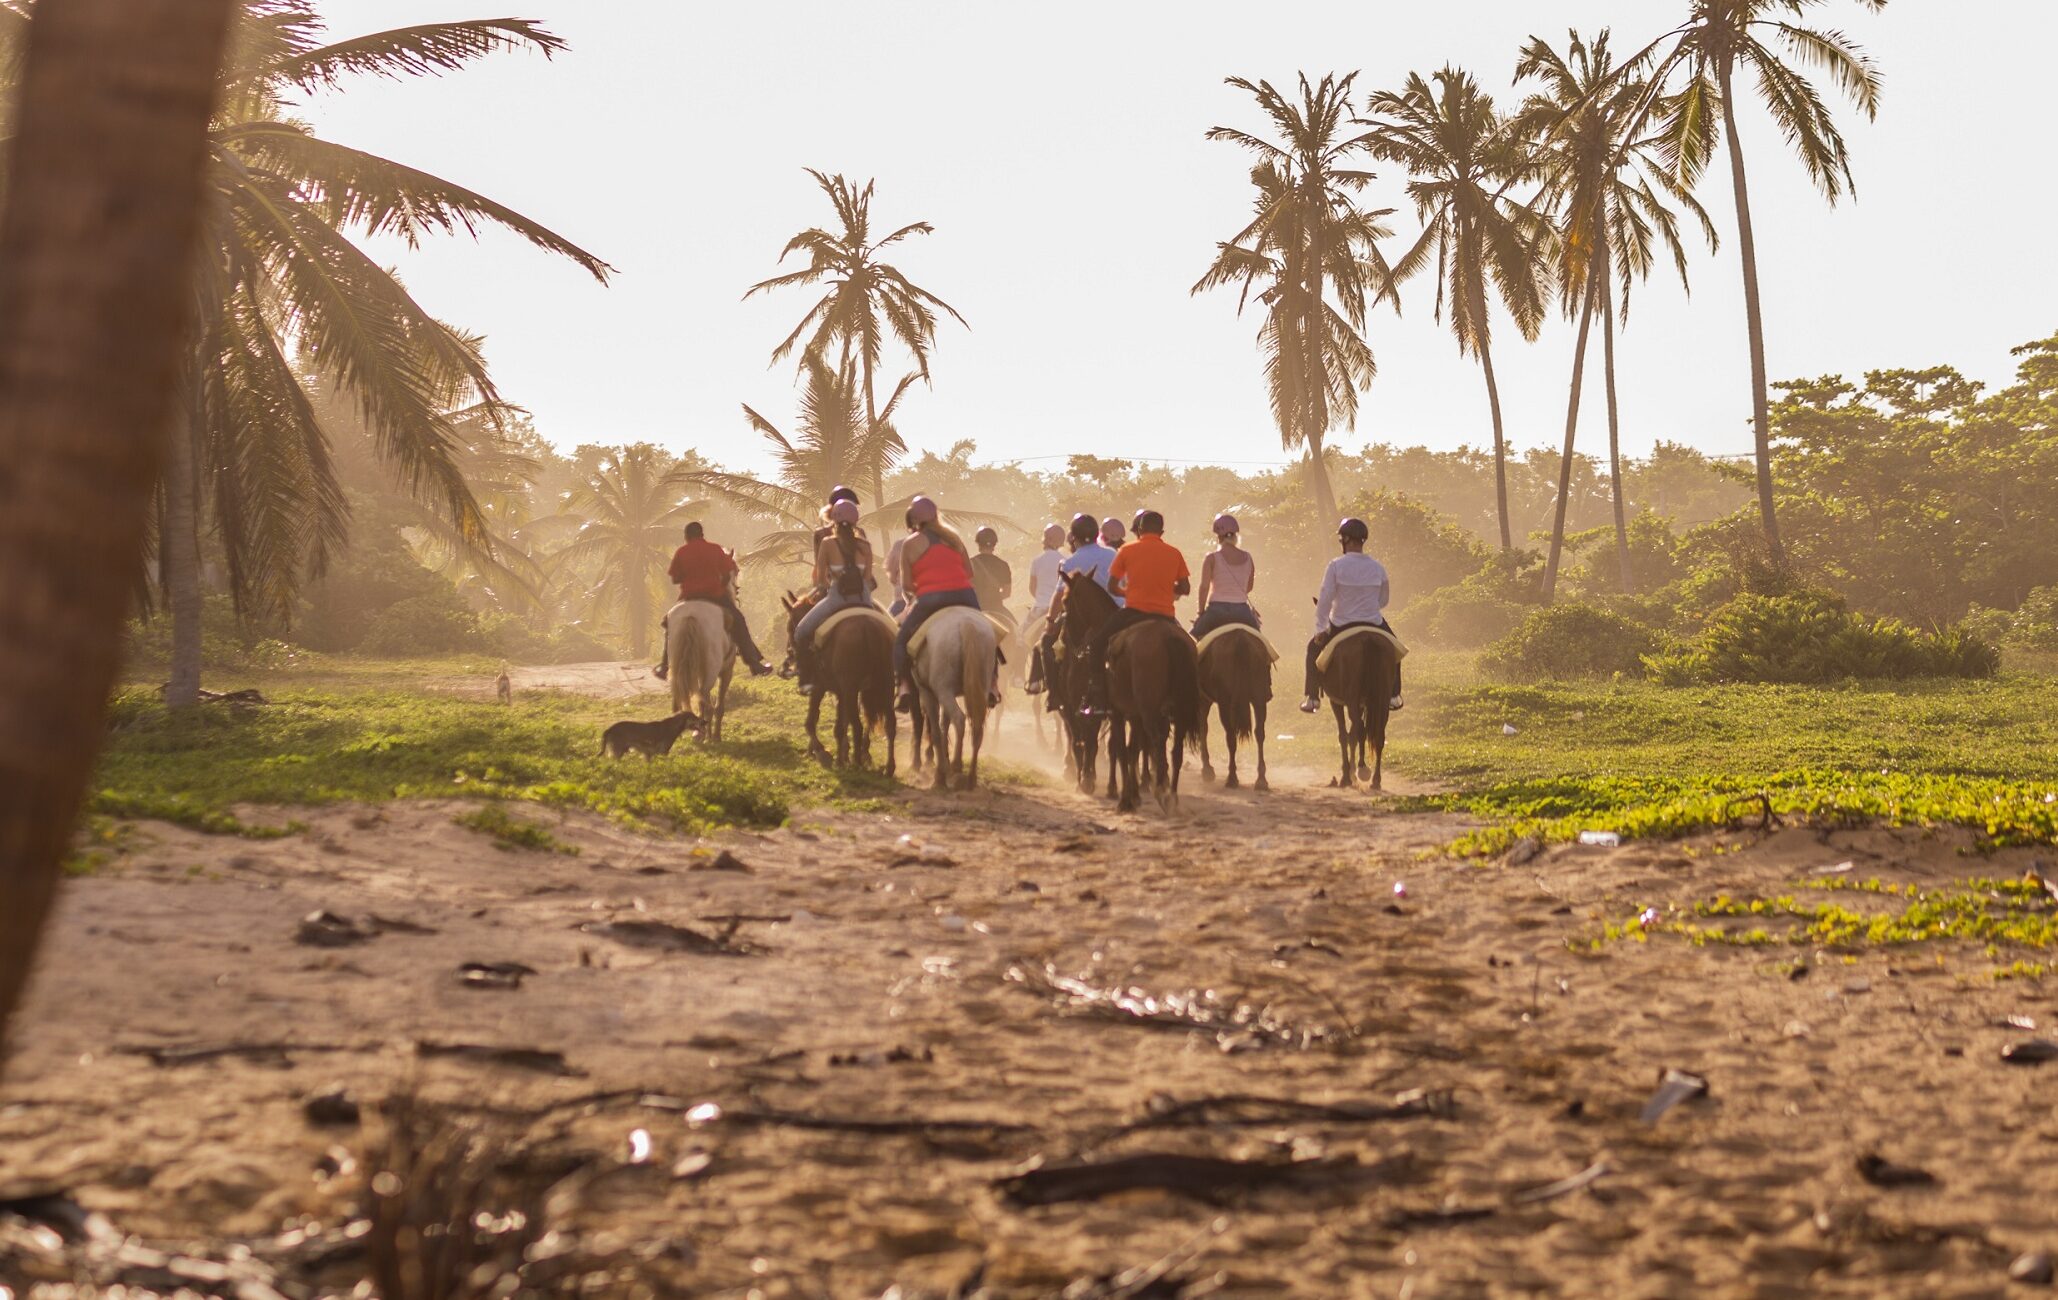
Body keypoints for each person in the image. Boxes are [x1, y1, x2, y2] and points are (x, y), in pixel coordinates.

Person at [1081, 509, 1190, 714]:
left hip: (1133, 612)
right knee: (1190, 649)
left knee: (1096, 645)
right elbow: (1186, 588)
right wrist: (1166, 589)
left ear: (1139, 529)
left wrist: (1129, 591)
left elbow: (1112, 587)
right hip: (1165, 615)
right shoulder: (1174, 553)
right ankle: (1183, 699)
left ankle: (1098, 698)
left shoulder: (1127, 550)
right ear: (1162, 531)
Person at [891, 496, 993, 713]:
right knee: (991, 634)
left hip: (930, 598)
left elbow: (907, 584)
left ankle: (905, 687)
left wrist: (927, 584)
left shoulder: (910, 543)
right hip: (965, 595)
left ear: (914, 519)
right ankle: (992, 684)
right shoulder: (954, 538)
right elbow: (969, 572)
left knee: (900, 642)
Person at [1301, 517, 1402, 713]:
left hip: (1341, 623)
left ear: (1345, 540)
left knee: (1312, 649)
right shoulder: (1378, 567)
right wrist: (1368, 608)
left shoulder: (1336, 566)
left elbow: (1325, 599)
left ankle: (1312, 698)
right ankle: (1394, 695)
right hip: (1373, 622)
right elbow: (1384, 600)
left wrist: (1320, 628)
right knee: (1394, 650)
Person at [655, 522, 774, 680]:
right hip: (714, 596)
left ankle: (665, 665)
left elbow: (675, 579)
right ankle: (754, 663)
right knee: (739, 621)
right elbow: (726, 574)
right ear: (702, 534)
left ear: (686, 536)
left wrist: (689, 577)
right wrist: (720, 586)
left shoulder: (681, 551)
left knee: (669, 623)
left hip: (689, 597)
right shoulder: (715, 549)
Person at [791, 499, 876, 692]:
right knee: (892, 632)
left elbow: (821, 580)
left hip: (838, 597)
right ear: (856, 521)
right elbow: (868, 578)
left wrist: (826, 586)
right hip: (864, 599)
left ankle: (807, 680)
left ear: (834, 519)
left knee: (801, 632)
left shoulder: (828, 543)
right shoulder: (865, 546)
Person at [1189, 513, 1261, 640]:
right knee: (1259, 639)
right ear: (1236, 536)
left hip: (1216, 611)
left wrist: (1201, 612)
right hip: (1242, 611)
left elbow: (1204, 587)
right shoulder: (1248, 558)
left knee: (1195, 635)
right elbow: (1248, 587)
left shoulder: (1211, 558)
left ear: (1218, 537)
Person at [969, 526, 1015, 632]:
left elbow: (966, 589)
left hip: (976, 608)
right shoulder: (1003, 565)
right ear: (994, 544)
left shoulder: (970, 564)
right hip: (997, 608)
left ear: (978, 544)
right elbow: (1007, 593)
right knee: (1017, 633)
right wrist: (993, 598)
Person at [1027, 522, 1066, 618]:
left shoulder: (1036, 561)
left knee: (1022, 632)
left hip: (1039, 609)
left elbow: (1032, 588)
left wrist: (1042, 599)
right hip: (1058, 609)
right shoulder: (1065, 561)